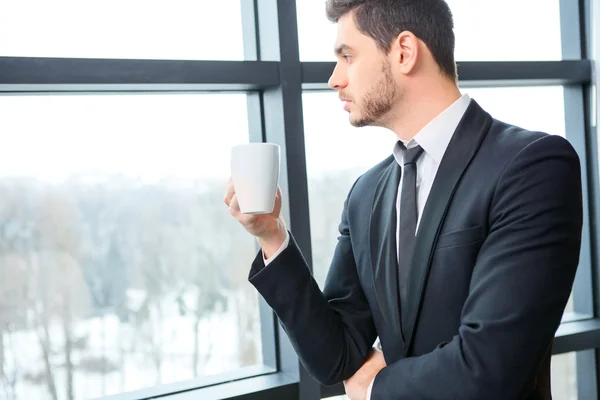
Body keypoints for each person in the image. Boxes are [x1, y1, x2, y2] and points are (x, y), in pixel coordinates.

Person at [224, 0, 583, 398]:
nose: (334, 79)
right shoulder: (366, 193)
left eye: (347, 56)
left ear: (404, 52)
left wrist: (376, 388)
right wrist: (271, 237)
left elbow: (489, 365)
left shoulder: (533, 166)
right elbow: (335, 358)